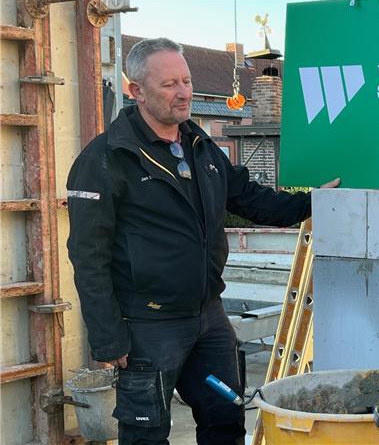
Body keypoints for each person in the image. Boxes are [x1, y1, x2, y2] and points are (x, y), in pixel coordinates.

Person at [66, 37, 339, 444]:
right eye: (169, 84)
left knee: (225, 418)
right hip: (148, 326)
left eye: (187, 81)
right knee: (146, 433)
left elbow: (251, 199)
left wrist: (313, 202)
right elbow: (88, 255)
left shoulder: (201, 147)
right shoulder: (106, 160)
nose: (183, 93)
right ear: (136, 91)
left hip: (208, 320)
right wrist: (107, 335)